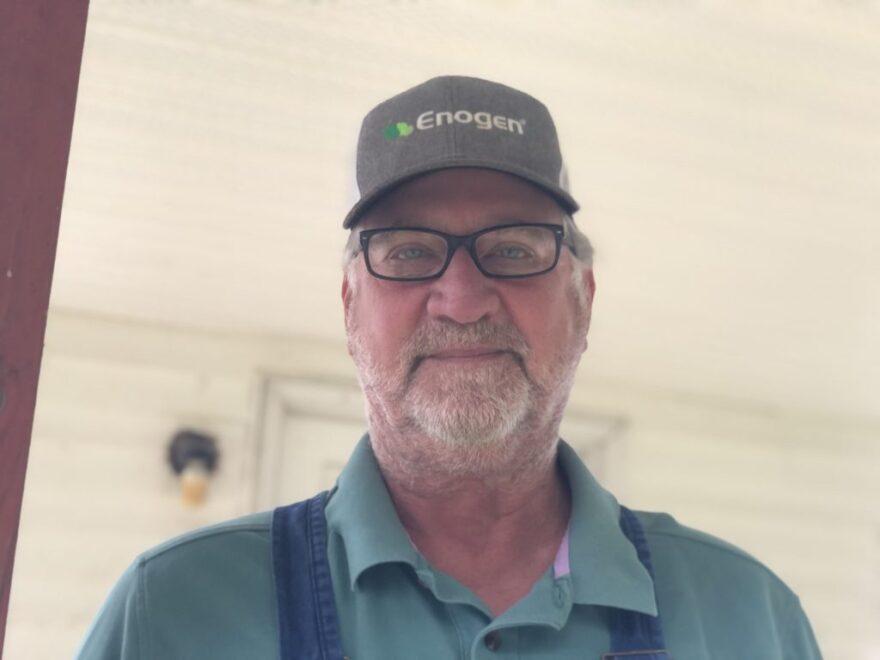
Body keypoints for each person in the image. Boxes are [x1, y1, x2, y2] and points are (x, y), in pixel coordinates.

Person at [76, 76, 822, 659]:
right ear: (348, 308)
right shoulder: (176, 612)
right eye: (406, 251)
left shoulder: (749, 618)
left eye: (515, 249)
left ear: (584, 301)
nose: (462, 300)